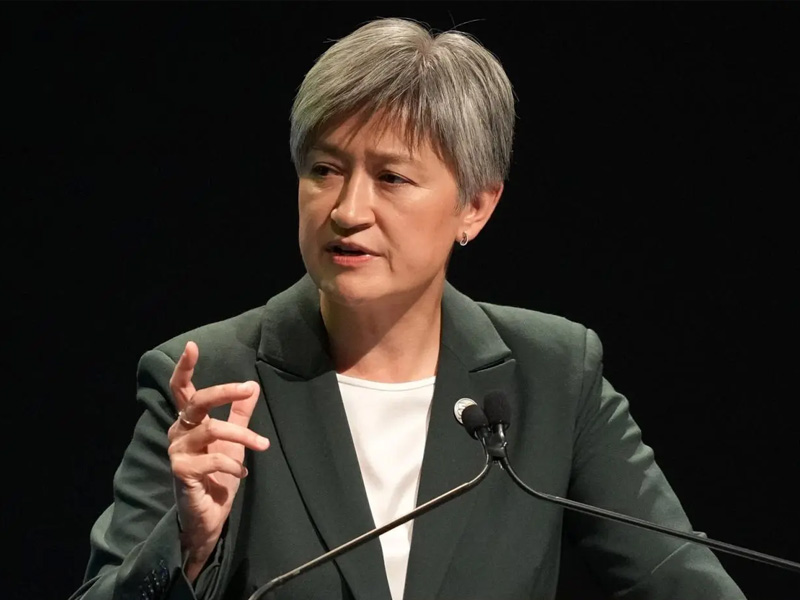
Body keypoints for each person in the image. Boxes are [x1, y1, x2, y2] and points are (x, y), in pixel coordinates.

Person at [70, 17, 746, 600]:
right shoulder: (208, 379)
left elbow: (683, 581)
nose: (348, 211)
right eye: (324, 170)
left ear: (475, 206)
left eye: (391, 178)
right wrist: (187, 541)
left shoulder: (552, 376)